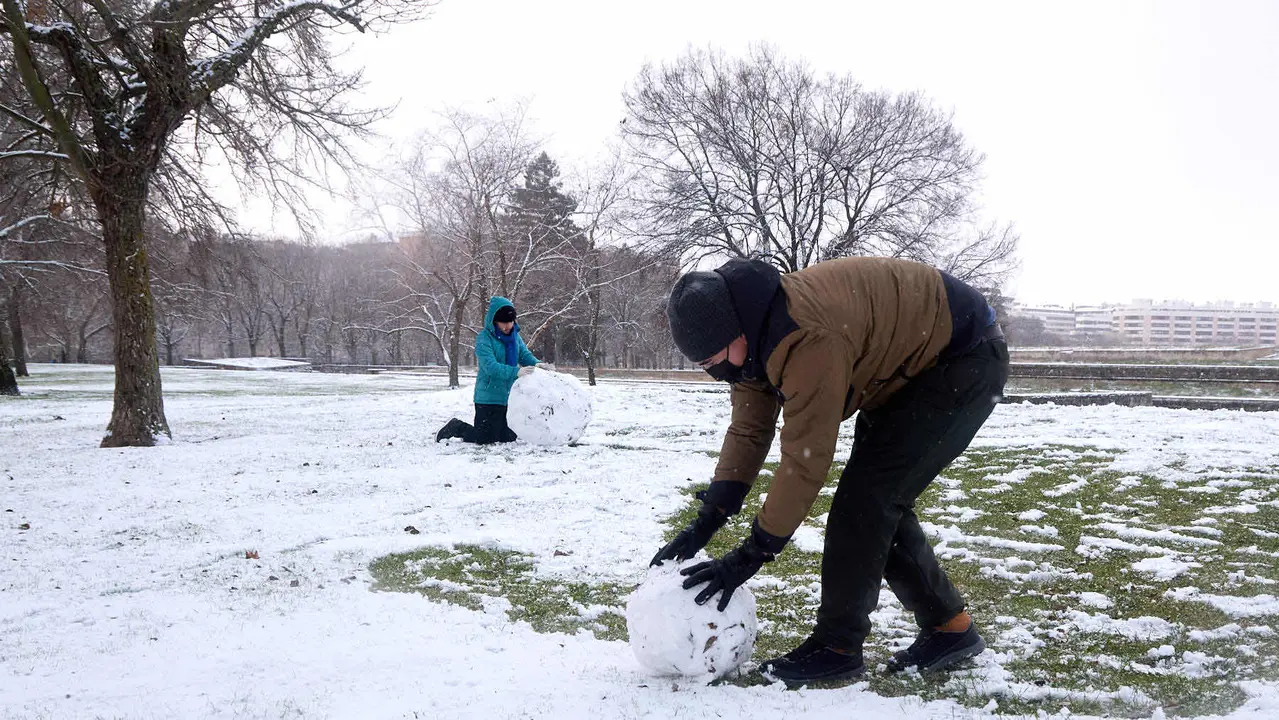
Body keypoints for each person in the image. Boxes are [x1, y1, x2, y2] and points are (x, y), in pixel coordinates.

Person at [652, 256, 1009, 685]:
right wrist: (710, 516)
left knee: (868, 500)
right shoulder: (749, 335)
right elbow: (750, 429)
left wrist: (751, 555)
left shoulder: (805, 338)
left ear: (736, 332)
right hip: (907, 369)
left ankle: (837, 646)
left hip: (960, 359)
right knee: (876, 500)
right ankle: (950, 629)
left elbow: (805, 460)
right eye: (704, 365)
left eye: (714, 358)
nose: (715, 372)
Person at [436, 297, 551, 444]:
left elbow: (524, 355)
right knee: (484, 439)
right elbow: (490, 366)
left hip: (509, 396)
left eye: (510, 321)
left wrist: (538, 365)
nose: (508, 325)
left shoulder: (515, 337)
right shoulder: (484, 338)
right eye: (504, 322)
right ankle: (456, 426)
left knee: (508, 438)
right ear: (494, 321)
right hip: (488, 397)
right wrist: (515, 372)